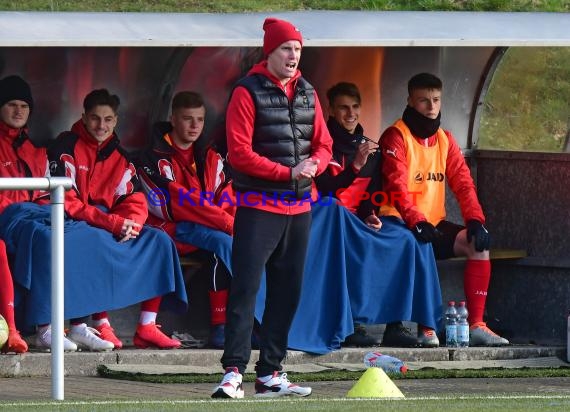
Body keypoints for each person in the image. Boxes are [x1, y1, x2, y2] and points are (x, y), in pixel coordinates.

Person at [211, 17, 332, 399]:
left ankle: (271, 374)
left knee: (287, 293)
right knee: (245, 290)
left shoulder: (309, 92)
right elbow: (239, 154)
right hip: (258, 208)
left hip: (299, 210)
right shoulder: (246, 92)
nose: (293, 55)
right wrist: (287, 172)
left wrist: (317, 165)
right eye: (286, 49)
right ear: (271, 52)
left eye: (297, 48)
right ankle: (233, 373)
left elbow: (324, 144)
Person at [44, 88, 187, 350]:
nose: (101, 125)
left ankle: (147, 325)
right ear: (84, 117)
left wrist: (130, 223)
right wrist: (112, 224)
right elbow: (68, 203)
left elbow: (133, 198)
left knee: (159, 239)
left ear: (116, 120)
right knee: (95, 239)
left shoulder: (119, 156)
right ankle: (100, 322)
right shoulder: (65, 146)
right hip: (74, 223)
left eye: (108, 119)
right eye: (96, 118)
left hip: (110, 223)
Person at [379, 72, 509, 346]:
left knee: (478, 245)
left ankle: (476, 324)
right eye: (424, 101)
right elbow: (396, 186)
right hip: (400, 222)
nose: (431, 107)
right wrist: (416, 220)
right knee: (422, 243)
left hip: (433, 223)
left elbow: (463, 183)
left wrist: (475, 220)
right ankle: (427, 327)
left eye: (436, 100)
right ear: (410, 102)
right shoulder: (395, 136)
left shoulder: (445, 139)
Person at [312, 81, 442, 348]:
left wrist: (370, 213)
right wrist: (353, 170)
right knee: (346, 230)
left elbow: (372, 195)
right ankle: (352, 323)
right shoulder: (322, 145)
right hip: (327, 222)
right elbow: (324, 188)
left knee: (404, 240)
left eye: (355, 107)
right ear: (330, 110)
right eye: (343, 108)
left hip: (356, 221)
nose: (350, 114)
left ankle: (396, 324)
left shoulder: (369, 149)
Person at [137, 91, 234, 349]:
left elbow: (224, 195)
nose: (194, 126)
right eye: (187, 119)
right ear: (173, 119)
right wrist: (227, 223)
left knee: (223, 251)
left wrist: (229, 220)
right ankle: (249, 321)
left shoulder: (210, 156)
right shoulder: (153, 157)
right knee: (225, 241)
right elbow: (180, 204)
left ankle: (222, 327)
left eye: (200, 120)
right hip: (170, 231)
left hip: (205, 231)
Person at [0, 75, 39, 354]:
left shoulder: (33, 149)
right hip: (9, 223)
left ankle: (57, 326)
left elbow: (49, 195)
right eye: (11, 104)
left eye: (24, 106)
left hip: (29, 222)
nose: (18, 111)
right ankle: (13, 330)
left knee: (67, 237)